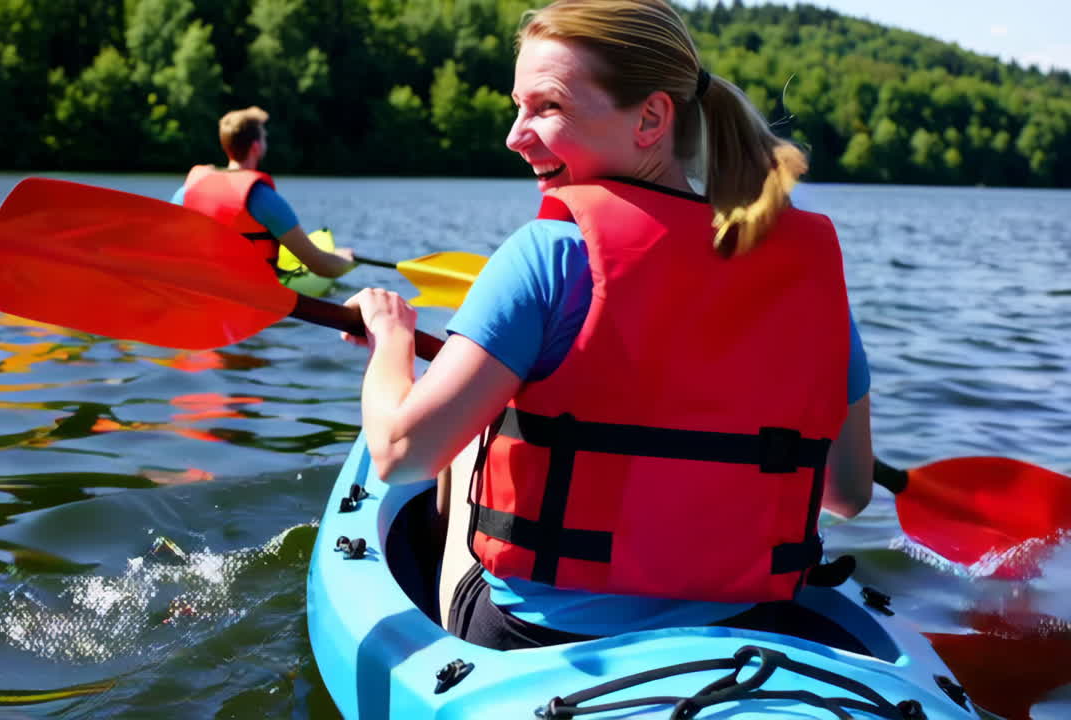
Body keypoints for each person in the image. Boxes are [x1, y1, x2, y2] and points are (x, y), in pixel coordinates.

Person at [339, 0, 874, 651]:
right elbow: (847, 493)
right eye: (519, 105)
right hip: (746, 624)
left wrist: (391, 340)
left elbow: (401, 454)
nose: (515, 133)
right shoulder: (807, 272)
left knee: (474, 428)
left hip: (537, 637)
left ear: (651, 118)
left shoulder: (547, 255)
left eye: (547, 107)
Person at [171, 105, 355, 278]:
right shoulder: (261, 198)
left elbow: (168, 245)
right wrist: (346, 260)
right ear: (256, 147)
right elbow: (320, 265)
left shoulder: (187, 191)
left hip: (199, 290)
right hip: (247, 296)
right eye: (264, 137)